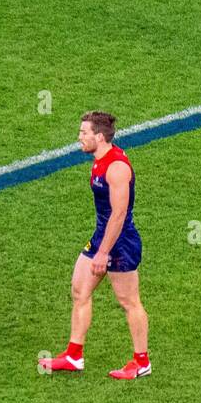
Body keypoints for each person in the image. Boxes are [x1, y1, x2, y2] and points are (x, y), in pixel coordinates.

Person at [38, 113, 151, 379]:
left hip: (120, 242)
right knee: (79, 290)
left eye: (84, 133)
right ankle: (73, 355)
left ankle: (142, 362)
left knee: (128, 301)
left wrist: (103, 253)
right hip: (102, 236)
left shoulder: (116, 168)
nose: (79, 137)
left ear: (99, 137)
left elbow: (119, 214)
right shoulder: (99, 160)